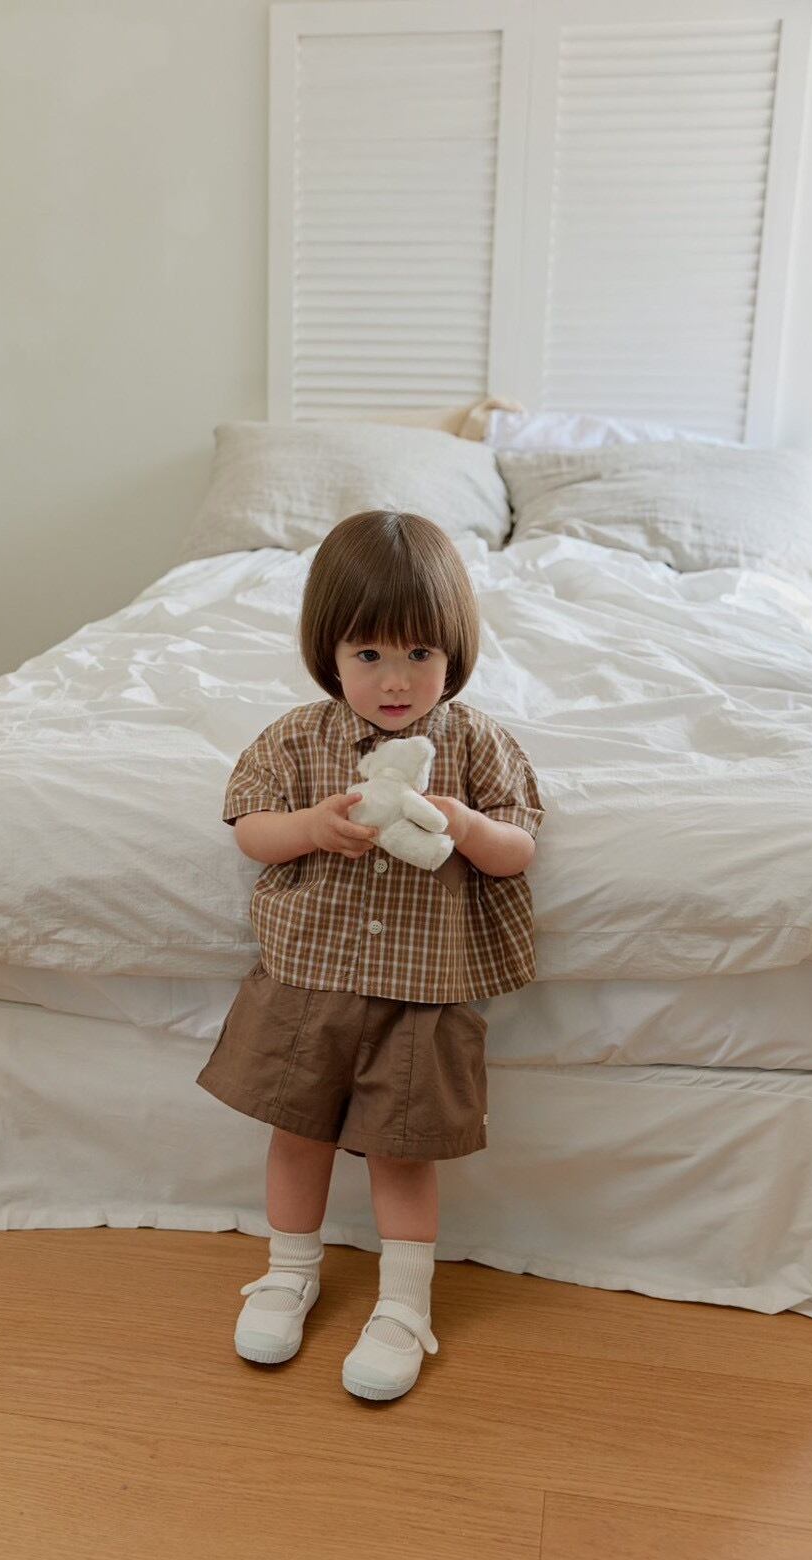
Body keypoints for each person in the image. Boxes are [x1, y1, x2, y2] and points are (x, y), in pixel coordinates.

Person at [196, 509, 545, 1401]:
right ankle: (287, 1272)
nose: (395, 680)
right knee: (296, 1134)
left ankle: (402, 1303)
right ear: (330, 653)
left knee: (402, 1152)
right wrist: (312, 827)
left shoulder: (475, 743)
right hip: (307, 982)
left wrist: (462, 824)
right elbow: (250, 829)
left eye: (419, 653)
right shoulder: (296, 738)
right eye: (368, 654)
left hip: (420, 994)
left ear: (453, 652)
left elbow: (517, 848)